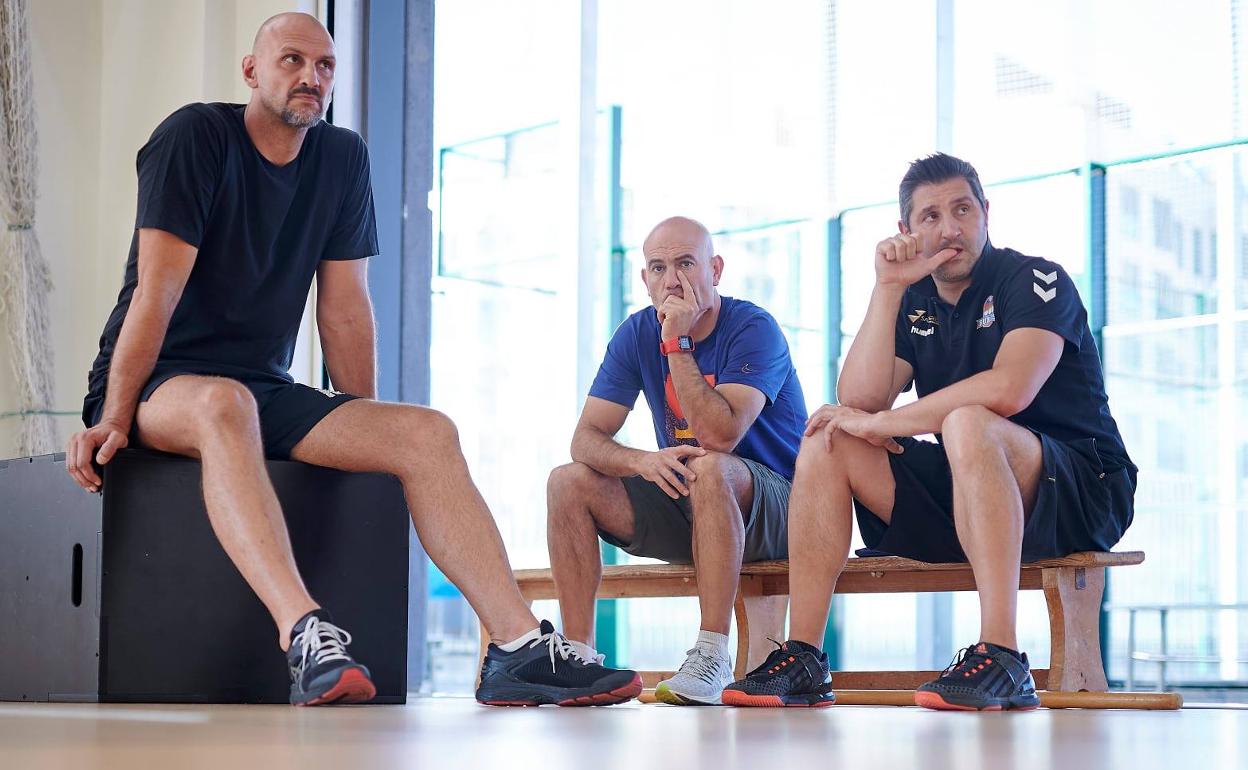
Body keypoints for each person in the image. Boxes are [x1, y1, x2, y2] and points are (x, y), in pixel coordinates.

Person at [66, 12, 640, 708]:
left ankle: (517, 648)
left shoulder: (341, 159)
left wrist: (360, 424)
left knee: (426, 432)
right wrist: (114, 418)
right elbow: (155, 294)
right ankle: (304, 633)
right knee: (225, 402)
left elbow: (343, 307)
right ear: (252, 71)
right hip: (166, 380)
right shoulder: (195, 137)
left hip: (261, 390)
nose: (312, 77)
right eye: (291, 61)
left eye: (326, 66)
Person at [722, 153, 1136, 711]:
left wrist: (888, 422)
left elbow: (1010, 389)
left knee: (967, 421)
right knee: (829, 432)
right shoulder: (913, 297)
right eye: (931, 216)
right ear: (907, 231)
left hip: (1081, 488)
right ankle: (805, 657)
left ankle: (1003, 656)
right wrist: (888, 287)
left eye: (963, 209)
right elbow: (862, 399)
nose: (950, 227)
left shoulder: (1033, 279)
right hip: (975, 489)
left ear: (986, 213)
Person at [546, 216, 807, 705]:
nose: (672, 281)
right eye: (658, 267)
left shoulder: (754, 328)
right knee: (568, 482)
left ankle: (711, 655)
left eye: (686, 264)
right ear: (643, 279)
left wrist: (677, 344)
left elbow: (720, 435)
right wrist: (642, 462)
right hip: (694, 502)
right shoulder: (635, 333)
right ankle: (579, 658)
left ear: (716, 269)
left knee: (710, 465)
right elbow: (585, 439)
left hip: (782, 509)